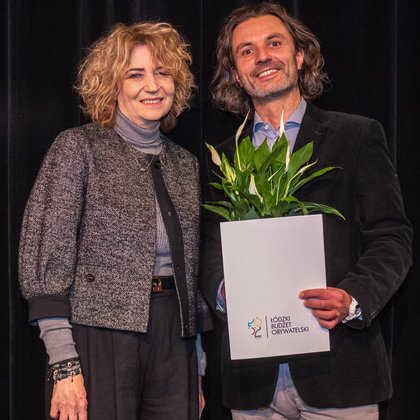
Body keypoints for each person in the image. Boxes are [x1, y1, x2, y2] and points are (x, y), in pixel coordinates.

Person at [199, 3, 412, 419]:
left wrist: (352, 298)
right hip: (253, 383)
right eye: (246, 51)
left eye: (274, 43)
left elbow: (392, 238)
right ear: (236, 74)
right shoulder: (221, 160)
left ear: (299, 56)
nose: (262, 57)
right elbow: (209, 249)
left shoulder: (356, 136)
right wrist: (225, 292)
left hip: (340, 371)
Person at [19, 21, 211, 420]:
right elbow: (45, 259)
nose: (152, 85)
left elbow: (191, 270)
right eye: (135, 74)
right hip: (98, 334)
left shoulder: (186, 164)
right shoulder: (78, 148)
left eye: (162, 72)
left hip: (175, 340)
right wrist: (64, 365)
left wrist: (198, 364)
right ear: (113, 85)